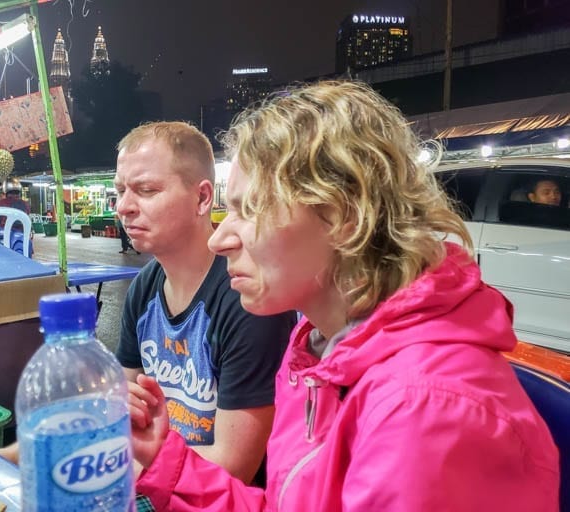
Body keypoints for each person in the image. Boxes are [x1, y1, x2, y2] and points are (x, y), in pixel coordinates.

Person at [128, 81, 560, 511]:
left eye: (251, 209)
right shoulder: (319, 356)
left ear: (342, 217)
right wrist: (166, 461)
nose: (219, 239)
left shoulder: (422, 409)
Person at [115, 121, 297, 484]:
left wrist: (128, 456)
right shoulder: (143, 289)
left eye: (146, 190)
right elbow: (120, 404)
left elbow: (233, 466)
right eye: (119, 191)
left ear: (202, 198)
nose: (124, 207)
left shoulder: (248, 300)